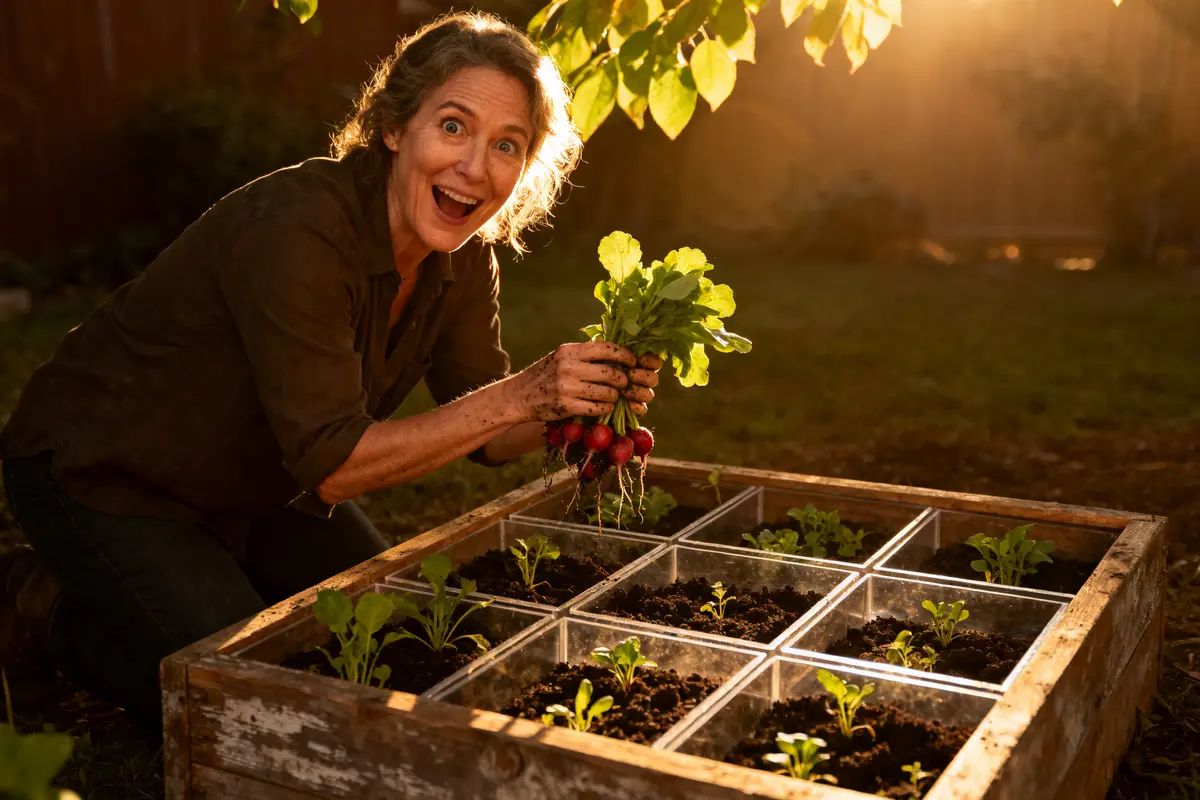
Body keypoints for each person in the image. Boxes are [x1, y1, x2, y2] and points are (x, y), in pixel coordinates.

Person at [0, 11, 661, 731]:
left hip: (256, 480)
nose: (475, 167)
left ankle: (201, 577)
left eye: (508, 144)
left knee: (392, 637)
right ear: (392, 126)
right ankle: (36, 609)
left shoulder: (466, 259)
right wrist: (524, 393)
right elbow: (336, 467)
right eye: (452, 126)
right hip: (107, 470)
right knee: (257, 697)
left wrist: (580, 404)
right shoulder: (300, 228)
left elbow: (488, 432)